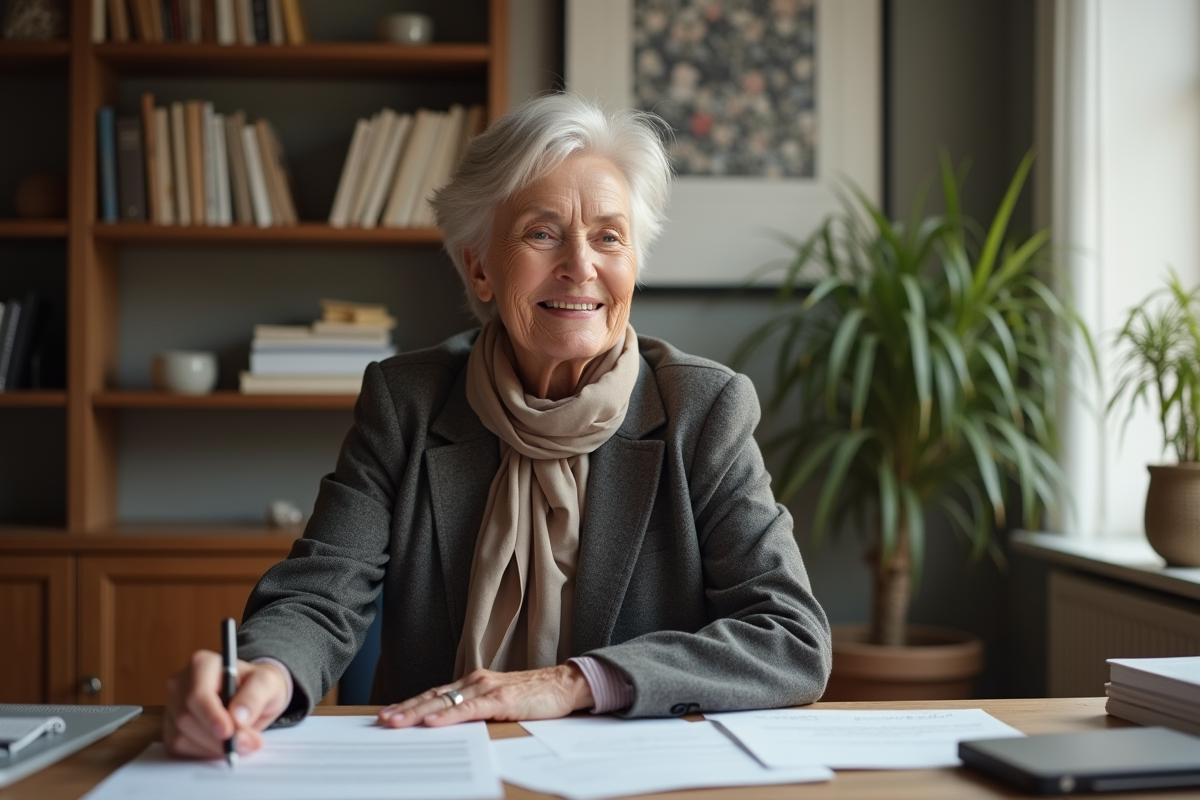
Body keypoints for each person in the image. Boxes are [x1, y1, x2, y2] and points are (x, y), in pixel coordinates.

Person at [163, 93, 832, 760]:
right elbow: (320, 592)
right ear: (480, 266)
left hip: (634, 773)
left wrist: (575, 683)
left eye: (609, 236)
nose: (580, 265)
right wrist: (262, 675)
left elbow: (790, 637)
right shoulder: (409, 403)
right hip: (436, 763)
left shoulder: (703, 409)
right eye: (542, 234)